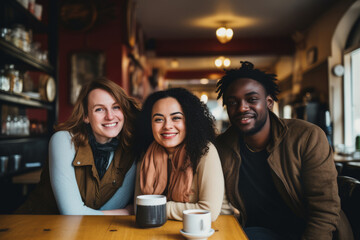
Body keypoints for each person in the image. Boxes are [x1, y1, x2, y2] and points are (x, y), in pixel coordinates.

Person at [215, 61, 351, 240]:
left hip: (309, 233)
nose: (242, 107)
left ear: (269, 102)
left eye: (252, 99)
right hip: (257, 232)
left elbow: (324, 210)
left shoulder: (307, 136)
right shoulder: (222, 146)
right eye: (233, 102)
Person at [16, 77, 139, 215]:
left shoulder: (130, 151)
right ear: (86, 116)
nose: (110, 116)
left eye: (116, 107)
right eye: (99, 109)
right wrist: (126, 212)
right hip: (32, 228)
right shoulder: (63, 140)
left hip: (83, 232)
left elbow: (105, 210)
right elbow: (71, 213)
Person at [134, 88, 225, 221]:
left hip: (209, 230)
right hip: (157, 229)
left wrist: (155, 208)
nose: (167, 126)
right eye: (158, 119)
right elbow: (138, 208)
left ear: (189, 121)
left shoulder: (205, 151)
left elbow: (208, 211)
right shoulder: (146, 155)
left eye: (176, 118)